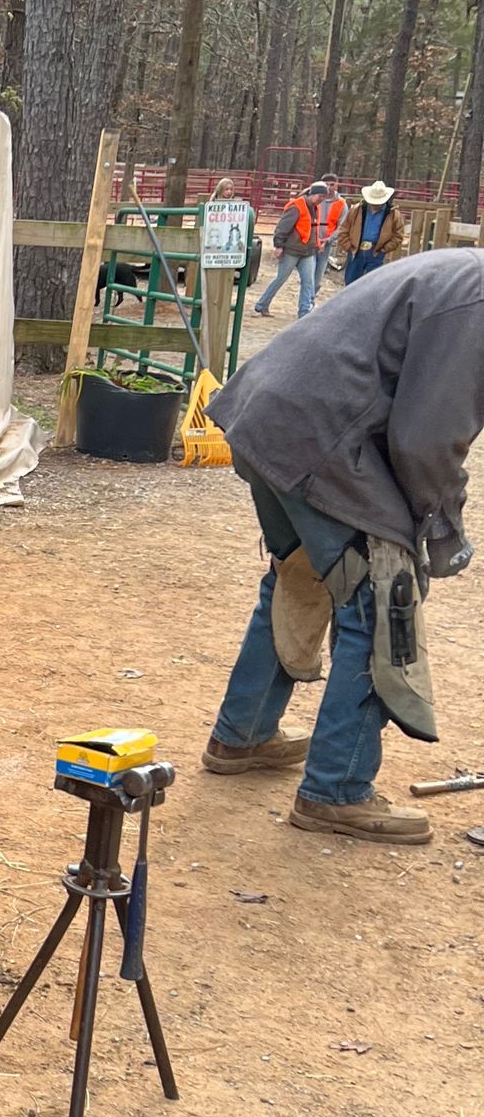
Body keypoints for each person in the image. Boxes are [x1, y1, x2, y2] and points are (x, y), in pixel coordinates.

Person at [202, 249, 483, 843]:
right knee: (381, 602)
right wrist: (437, 524)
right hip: (318, 432)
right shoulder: (477, 304)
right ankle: (337, 790)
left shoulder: (464, 274)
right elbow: (428, 436)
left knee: (300, 575)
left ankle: (243, 735)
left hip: (271, 415)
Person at [253, 176, 346, 320]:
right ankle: (262, 305)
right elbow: (282, 228)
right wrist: (278, 245)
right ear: (313, 194)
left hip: (308, 251)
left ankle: (304, 312)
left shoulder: (315, 208)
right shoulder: (296, 206)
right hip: (292, 250)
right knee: (281, 278)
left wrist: (318, 244)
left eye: (323, 196)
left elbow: (313, 229)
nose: (322, 199)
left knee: (308, 281)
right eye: (320, 196)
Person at [335, 177, 404, 286]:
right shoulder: (357, 210)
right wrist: (348, 246)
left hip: (376, 251)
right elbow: (344, 228)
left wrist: (384, 249)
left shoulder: (393, 214)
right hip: (356, 250)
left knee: (373, 284)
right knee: (351, 282)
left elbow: (398, 235)